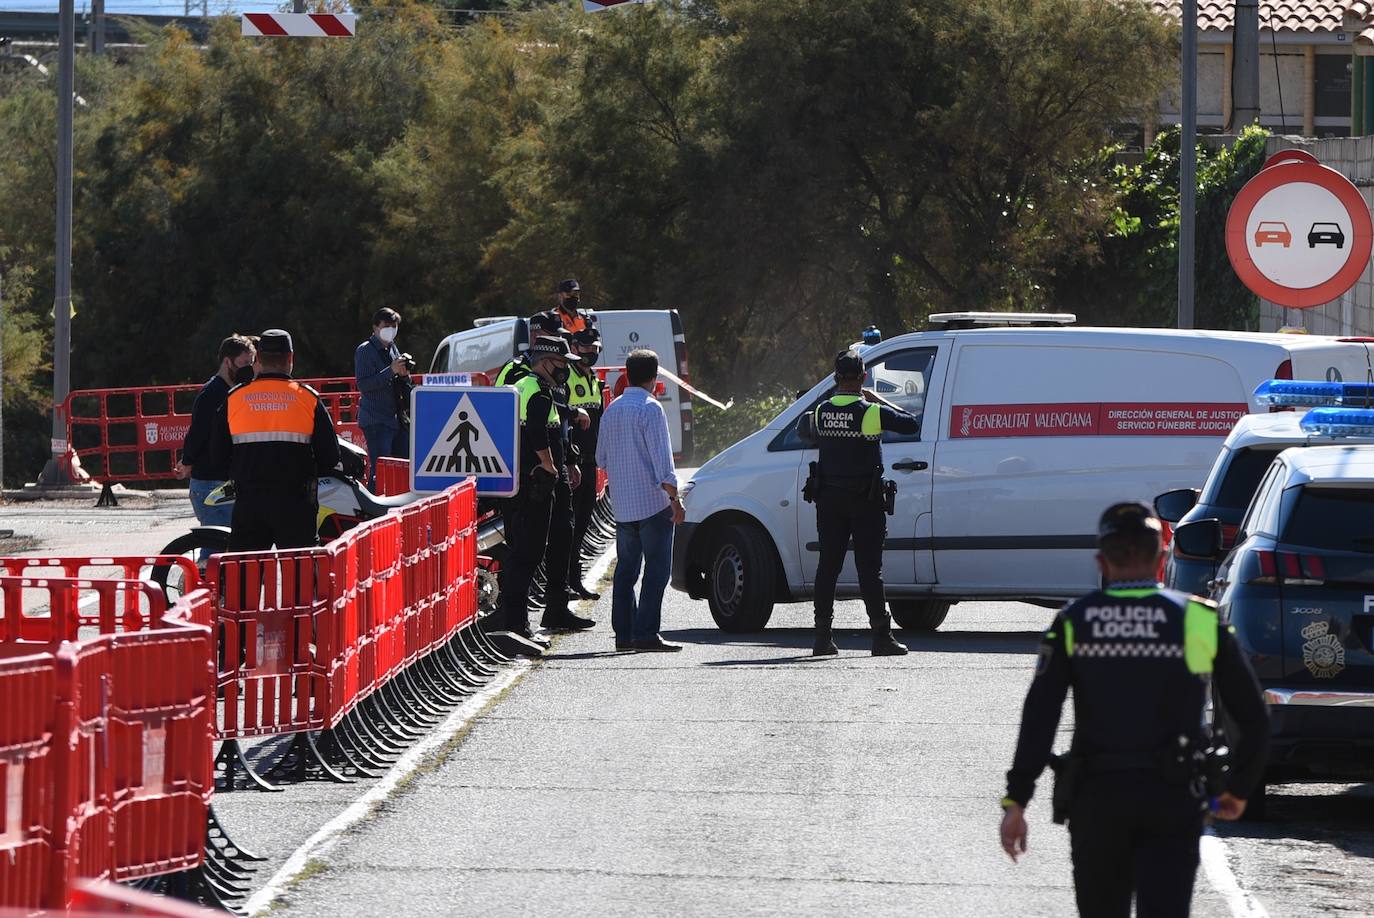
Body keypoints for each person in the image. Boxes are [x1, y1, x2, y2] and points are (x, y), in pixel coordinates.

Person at [999, 501, 1270, 918]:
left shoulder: (1074, 622)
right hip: (1175, 797)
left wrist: (1016, 801)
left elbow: (1041, 716)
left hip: (1097, 799)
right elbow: (1251, 716)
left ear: (1101, 562)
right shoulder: (1199, 619)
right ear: (1162, 560)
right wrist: (1238, 789)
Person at [799, 349, 920, 657]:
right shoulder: (871, 412)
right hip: (865, 501)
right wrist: (879, 402)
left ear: (836, 378)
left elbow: (804, 430)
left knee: (827, 567)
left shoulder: (821, 411)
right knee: (869, 570)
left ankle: (822, 638)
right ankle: (881, 637)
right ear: (864, 377)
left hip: (829, 500)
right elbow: (911, 424)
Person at [499, 336, 596, 646]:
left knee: (529, 550)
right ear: (545, 362)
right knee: (528, 552)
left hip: (528, 480)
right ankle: (515, 622)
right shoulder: (537, 390)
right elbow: (538, 431)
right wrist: (550, 465)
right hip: (536, 482)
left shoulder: (530, 386)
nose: (566, 369)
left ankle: (520, 618)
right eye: (561, 364)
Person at [210, 329, 342, 553]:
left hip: (249, 504)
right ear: (290, 358)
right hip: (296, 505)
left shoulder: (235, 398)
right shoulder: (307, 398)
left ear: (258, 360)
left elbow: (217, 457)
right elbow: (330, 457)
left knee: (244, 580)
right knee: (301, 580)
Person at [596, 349, 684, 652]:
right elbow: (663, 464)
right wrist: (675, 499)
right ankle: (646, 632)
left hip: (623, 506)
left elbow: (601, 458)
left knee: (626, 571)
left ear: (627, 375)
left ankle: (624, 633)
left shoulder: (612, 409)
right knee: (657, 571)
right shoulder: (651, 409)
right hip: (653, 503)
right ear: (655, 377)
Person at [175, 335, 256, 549]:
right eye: (244, 363)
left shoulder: (236, 392)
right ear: (227, 362)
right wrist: (187, 461)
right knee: (215, 552)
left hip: (224, 483)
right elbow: (197, 433)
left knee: (227, 549)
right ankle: (202, 582)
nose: (248, 369)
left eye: (251, 363)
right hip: (210, 484)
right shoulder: (212, 393)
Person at [566, 327, 606, 600]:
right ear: (574, 347)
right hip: (572, 463)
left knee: (581, 525)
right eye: (586, 348)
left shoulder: (592, 378)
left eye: (595, 349)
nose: (591, 353)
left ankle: (573, 579)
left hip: (590, 463)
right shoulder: (566, 376)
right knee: (567, 525)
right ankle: (562, 583)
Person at [354, 307, 411, 491]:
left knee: (402, 470)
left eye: (394, 326)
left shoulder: (393, 347)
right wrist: (391, 371)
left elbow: (400, 379)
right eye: (386, 326)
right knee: (380, 473)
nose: (391, 330)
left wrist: (403, 374)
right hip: (376, 420)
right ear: (375, 327)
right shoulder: (365, 351)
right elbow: (363, 384)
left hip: (396, 420)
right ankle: (374, 512)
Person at [494, 313, 563, 387]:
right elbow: (498, 397)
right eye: (553, 336)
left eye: (560, 337)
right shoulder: (514, 369)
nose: (559, 341)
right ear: (534, 336)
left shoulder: (561, 368)